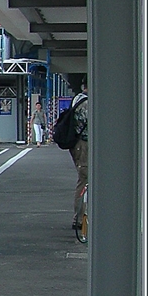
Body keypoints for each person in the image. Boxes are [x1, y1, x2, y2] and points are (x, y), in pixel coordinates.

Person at [68, 88, 88, 230]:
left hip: (77, 145)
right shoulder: (86, 103)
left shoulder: (77, 99)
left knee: (84, 179)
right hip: (84, 144)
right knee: (85, 180)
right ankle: (79, 219)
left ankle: (81, 217)